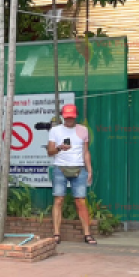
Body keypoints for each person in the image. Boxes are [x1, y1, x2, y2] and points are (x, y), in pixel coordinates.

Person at [47, 104, 95, 245]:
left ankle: (87, 234)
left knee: (81, 202)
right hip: (60, 168)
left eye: (71, 117)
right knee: (58, 200)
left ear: (76, 116)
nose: (69, 120)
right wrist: (59, 148)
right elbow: (50, 152)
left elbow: (86, 152)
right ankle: (56, 233)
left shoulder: (83, 130)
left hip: (79, 169)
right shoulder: (55, 130)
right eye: (66, 117)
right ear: (63, 116)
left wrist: (89, 169)